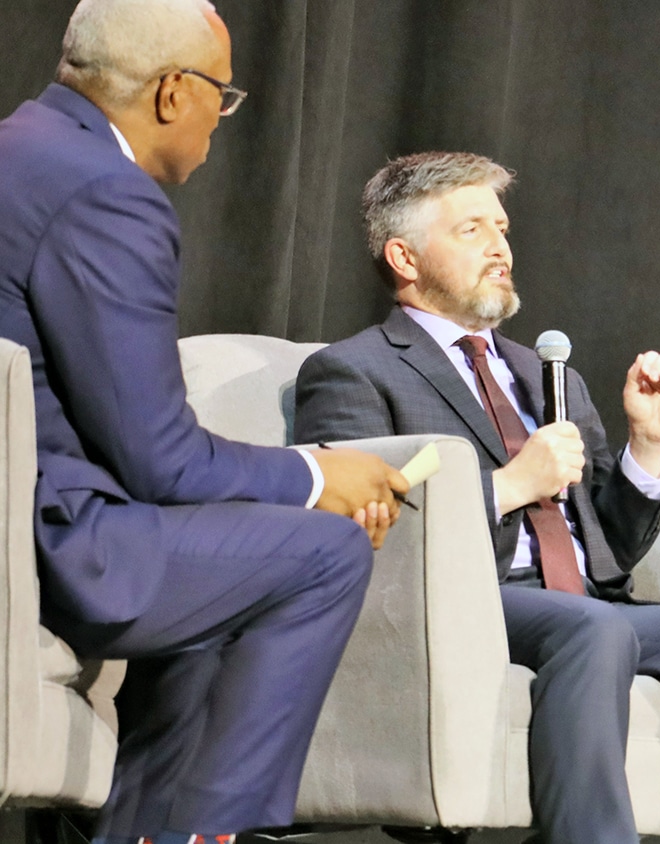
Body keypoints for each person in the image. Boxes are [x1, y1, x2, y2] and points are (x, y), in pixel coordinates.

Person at [293, 151, 660, 844]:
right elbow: (355, 521)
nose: (500, 247)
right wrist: (509, 486)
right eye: (472, 229)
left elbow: (611, 546)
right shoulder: (355, 371)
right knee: (593, 630)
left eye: (502, 228)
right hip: (463, 601)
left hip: (583, 600)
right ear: (404, 258)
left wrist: (647, 449)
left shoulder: (545, 373)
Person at [0, 1, 410, 842]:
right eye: (222, 98)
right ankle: (212, 833)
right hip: (50, 540)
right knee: (325, 554)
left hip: (40, 509)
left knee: (233, 575)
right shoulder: (105, 194)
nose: (220, 121)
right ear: (172, 93)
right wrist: (315, 476)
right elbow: (161, 461)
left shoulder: (19, 149)